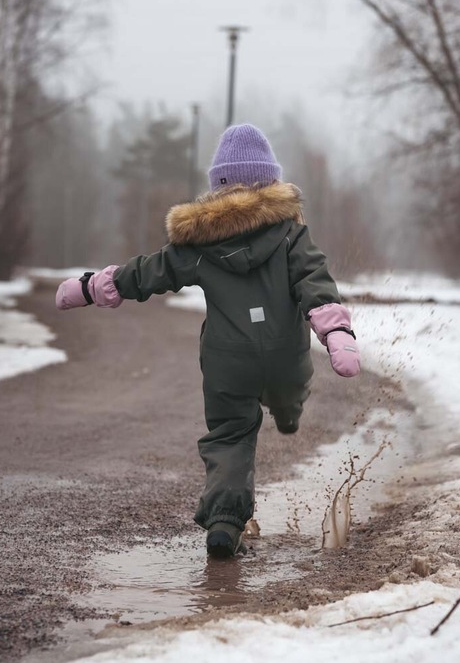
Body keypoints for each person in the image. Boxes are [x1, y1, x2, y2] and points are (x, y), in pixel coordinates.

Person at [56, 124, 360, 558]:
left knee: (231, 435)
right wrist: (336, 332)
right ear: (271, 183)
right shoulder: (292, 235)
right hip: (284, 355)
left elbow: (147, 272)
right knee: (290, 390)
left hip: (226, 359)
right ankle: (288, 410)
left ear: (217, 187)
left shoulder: (199, 244)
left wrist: (91, 287)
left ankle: (224, 521)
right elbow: (316, 281)